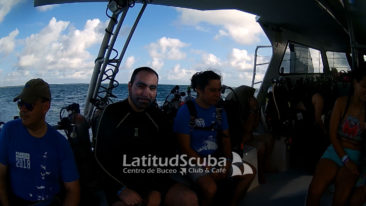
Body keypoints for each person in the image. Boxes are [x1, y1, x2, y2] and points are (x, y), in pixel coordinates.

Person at [95, 67, 198, 206]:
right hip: (121, 183)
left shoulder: (158, 117)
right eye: (141, 86)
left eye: (152, 88)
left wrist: (156, 190)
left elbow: (168, 156)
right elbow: (99, 157)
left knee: (188, 199)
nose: (146, 93)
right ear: (130, 86)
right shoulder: (112, 113)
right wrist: (120, 190)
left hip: (152, 181)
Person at [174, 70, 255, 206]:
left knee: (250, 172)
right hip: (192, 160)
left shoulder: (219, 111)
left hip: (215, 158)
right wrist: (209, 168)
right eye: (212, 90)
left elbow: (225, 138)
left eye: (219, 90)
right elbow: (185, 148)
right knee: (210, 188)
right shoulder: (186, 111)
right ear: (198, 90)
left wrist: (227, 161)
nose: (218, 95)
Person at [0, 78, 80, 206]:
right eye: (21, 103)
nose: (23, 109)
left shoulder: (60, 143)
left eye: (29, 104)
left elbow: (73, 190)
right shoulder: (9, 131)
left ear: (45, 107)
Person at [307, 68, 366, 206]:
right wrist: (345, 160)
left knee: (340, 200)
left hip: (356, 155)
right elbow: (332, 134)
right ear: (354, 83)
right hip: (335, 151)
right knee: (314, 192)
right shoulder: (341, 103)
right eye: (364, 86)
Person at [225, 85, 274, 184]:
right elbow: (247, 130)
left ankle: (266, 166)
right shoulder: (234, 109)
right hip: (238, 139)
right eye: (250, 96)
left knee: (269, 138)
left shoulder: (246, 107)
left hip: (246, 135)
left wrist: (256, 110)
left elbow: (254, 126)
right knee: (261, 147)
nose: (253, 98)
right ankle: (260, 172)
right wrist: (252, 110)